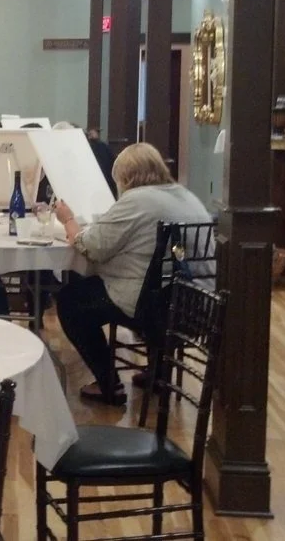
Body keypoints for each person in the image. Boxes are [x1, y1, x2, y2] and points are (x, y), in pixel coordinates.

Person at [53, 143, 212, 406]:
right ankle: (158, 373)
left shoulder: (137, 200)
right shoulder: (185, 195)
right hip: (198, 303)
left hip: (159, 307)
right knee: (154, 282)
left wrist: (68, 220)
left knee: (71, 302)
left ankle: (109, 384)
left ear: (126, 177)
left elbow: (92, 246)